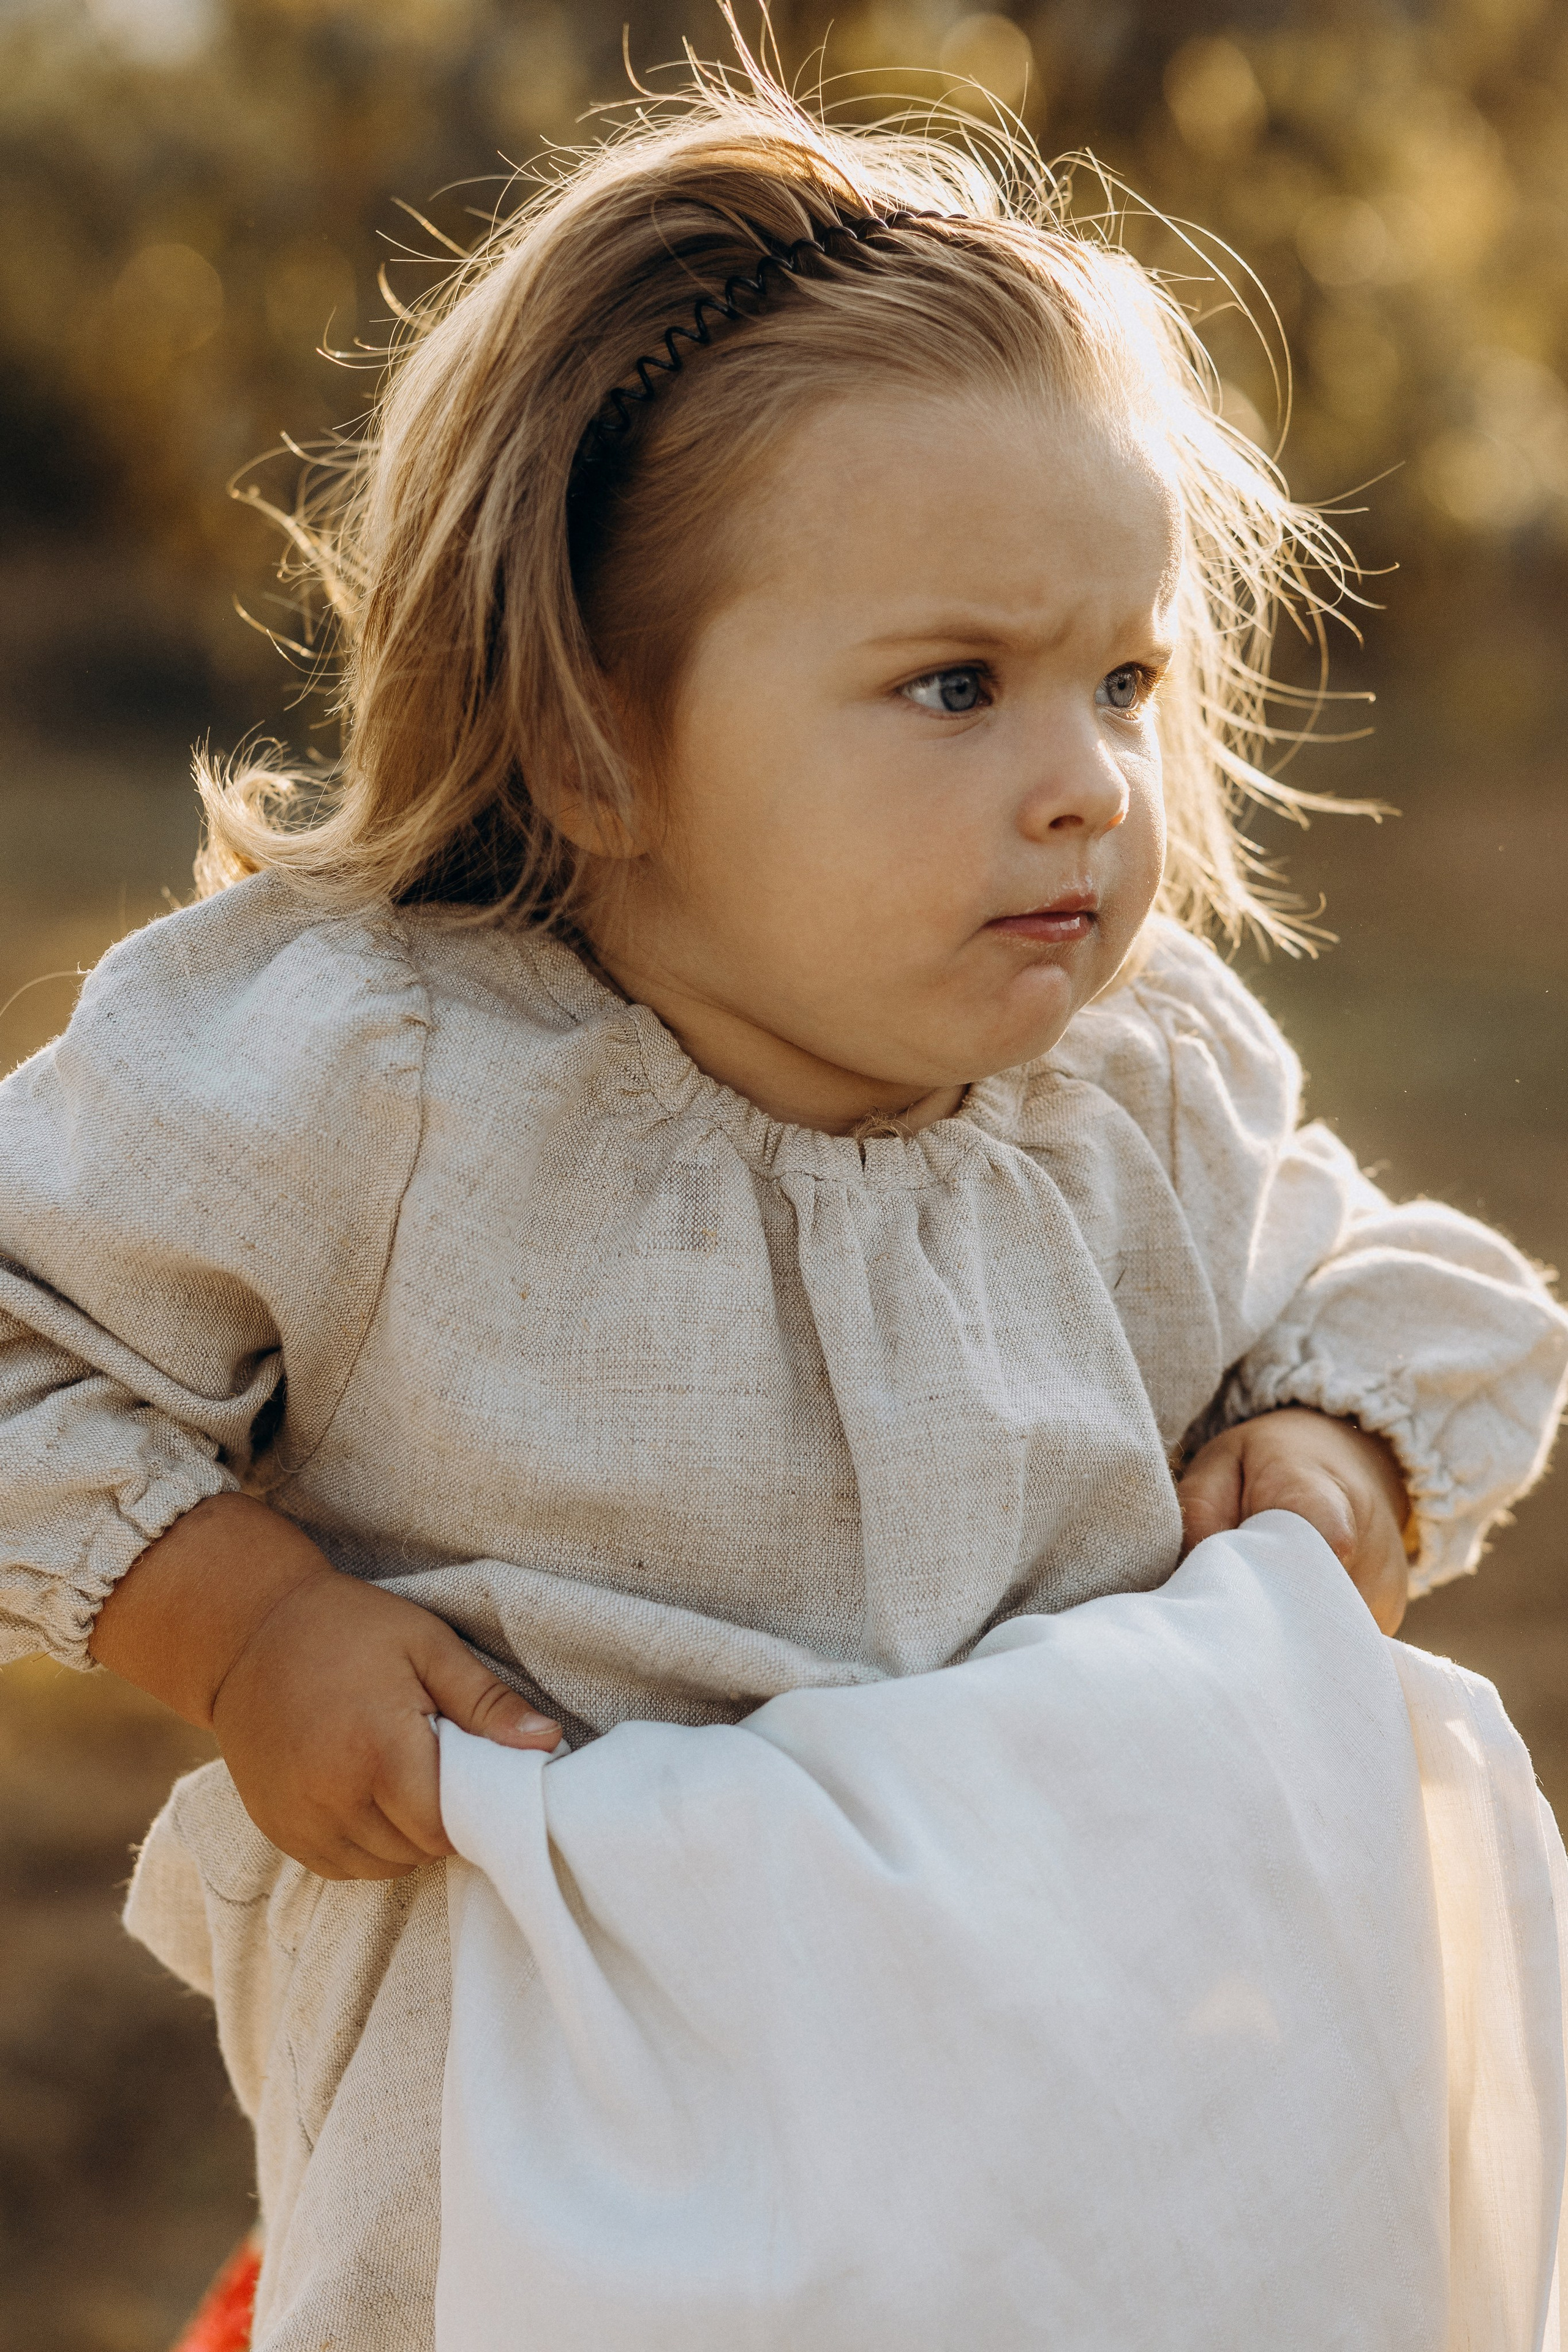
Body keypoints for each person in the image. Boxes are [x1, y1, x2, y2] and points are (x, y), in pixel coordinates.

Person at [2, 53, 1565, 2352]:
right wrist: (241, 1627)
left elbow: (1393, 1295)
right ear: (588, 736)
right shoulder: (392, 1076)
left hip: (1065, 2158)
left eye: (1124, 680)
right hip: (577, 2175)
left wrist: (1326, 1451)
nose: (1087, 787)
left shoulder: (1123, 1098)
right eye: (957, 685)